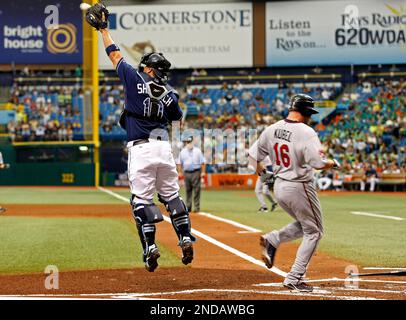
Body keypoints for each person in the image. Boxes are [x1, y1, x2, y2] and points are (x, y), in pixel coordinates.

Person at [85, 3, 195, 272]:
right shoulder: (171, 93)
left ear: (147, 69)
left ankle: (150, 247)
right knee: (171, 197)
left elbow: (114, 54)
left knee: (141, 201)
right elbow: (177, 116)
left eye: (144, 64)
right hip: (164, 149)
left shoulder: (135, 78)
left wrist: (103, 31)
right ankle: (184, 237)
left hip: (141, 149)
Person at [248, 94, 340, 292]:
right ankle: (294, 278)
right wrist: (332, 163)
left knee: (305, 225)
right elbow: (318, 163)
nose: (310, 117)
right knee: (315, 232)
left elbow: (252, 156)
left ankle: (274, 239)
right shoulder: (306, 132)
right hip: (300, 186)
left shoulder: (271, 129)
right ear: (305, 112)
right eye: (310, 113)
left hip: (280, 186)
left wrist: (264, 177)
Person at [178, 136, 206, 213]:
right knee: (188, 190)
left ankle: (196, 207)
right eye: (188, 142)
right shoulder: (183, 151)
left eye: (190, 142)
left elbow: (203, 162)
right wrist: (180, 172)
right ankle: (188, 207)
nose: (189, 144)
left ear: (192, 142)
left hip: (196, 171)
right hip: (186, 172)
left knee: (197, 190)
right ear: (186, 143)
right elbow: (179, 163)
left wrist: (203, 172)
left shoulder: (198, 151)